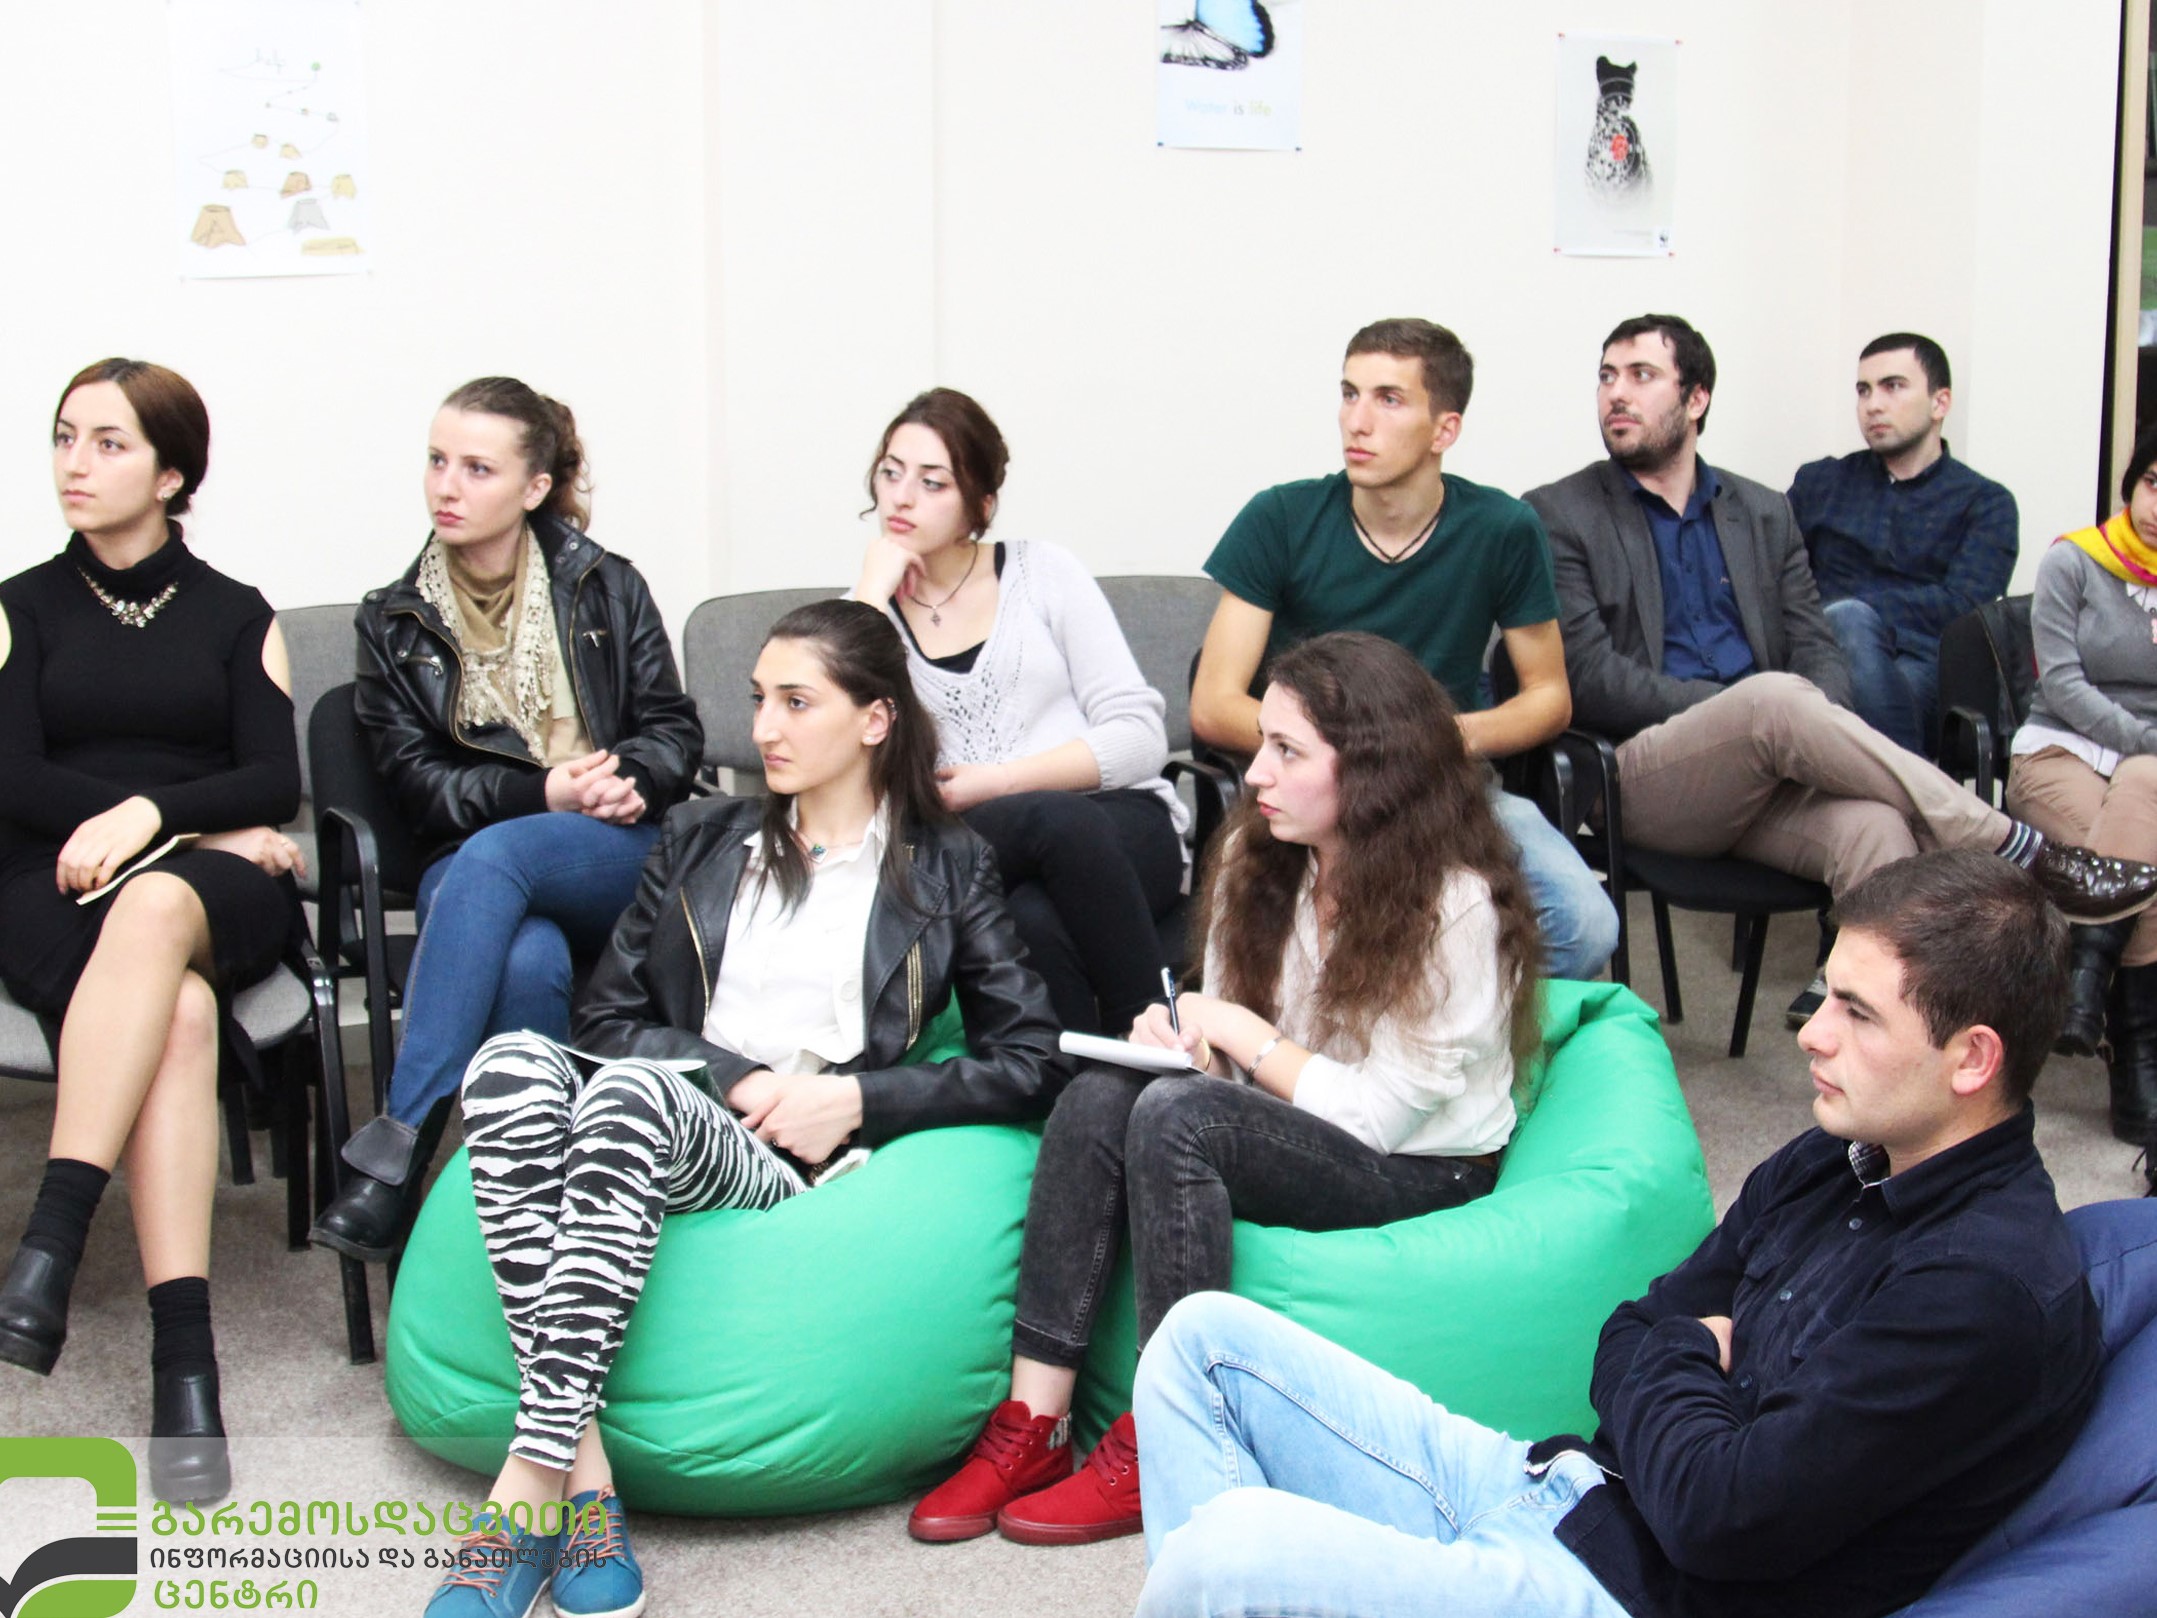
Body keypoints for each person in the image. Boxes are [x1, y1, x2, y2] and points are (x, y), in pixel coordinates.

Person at [1133, 848, 2102, 1618]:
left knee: (1221, 1557)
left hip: (1624, 1595)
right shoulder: (1837, 1156)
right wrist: (1685, 1365)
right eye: (1824, 994)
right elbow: (1624, 1327)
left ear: (1971, 1059)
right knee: (1199, 1343)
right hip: (1566, 1491)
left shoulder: (1981, 1291)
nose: (1811, 1032)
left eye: (1857, 1013)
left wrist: (1680, 1351)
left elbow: (1718, 1514)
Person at [420, 599, 1064, 1618]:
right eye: (760, 699)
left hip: (783, 1157)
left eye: (796, 702)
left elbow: (1028, 1059)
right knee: (506, 1063)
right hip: (684, 1108)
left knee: (633, 1091)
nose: (763, 726)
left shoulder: (946, 863)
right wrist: (736, 1076)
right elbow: (606, 1017)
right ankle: (577, 1484)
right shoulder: (700, 838)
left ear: (874, 719)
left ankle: (517, 1506)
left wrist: (854, 1098)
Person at [911, 632, 1539, 1548]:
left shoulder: (1456, 904)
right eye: (1260, 745)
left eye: (1287, 751)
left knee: (1179, 1118)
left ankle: (1172, 1438)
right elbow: (1238, 1065)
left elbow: (1376, 1117)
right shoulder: (1262, 854)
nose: (1255, 775)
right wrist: (1191, 1047)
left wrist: (1235, 1033)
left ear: (1376, 770)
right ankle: (1035, 1421)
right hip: (1296, 1124)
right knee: (1101, 1092)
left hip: (1423, 1164)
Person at [1526, 313, 2157, 1026]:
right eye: (1606, 376)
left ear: (1695, 398)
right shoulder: (1558, 513)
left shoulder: (1762, 511)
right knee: (1770, 700)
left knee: (1876, 829)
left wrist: (1800, 724)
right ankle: (2011, 847)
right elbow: (1590, 676)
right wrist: (1749, 714)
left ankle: (1853, 1017)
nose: (1616, 393)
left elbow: (1816, 641)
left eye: (1641, 375)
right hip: (1642, 775)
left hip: (1764, 768)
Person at [308, 377, 702, 1264]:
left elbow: (672, 729)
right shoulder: (392, 621)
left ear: (534, 486)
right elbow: (417, 785)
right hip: (473, 865)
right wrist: (541, 795)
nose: (446, 486)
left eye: (477, 468)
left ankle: (399, 1147)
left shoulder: (605, 585)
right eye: (437, 460)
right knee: (523, 953)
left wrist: (631, 778)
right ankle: (550, 1214)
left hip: (614, 851)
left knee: (497, 860)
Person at [0, 359, 304, 1506]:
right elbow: (9, 775)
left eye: (109, 442)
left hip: (199, 884)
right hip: (53, 875)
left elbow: (273, 778)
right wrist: (181, 824)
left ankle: (54, 1236)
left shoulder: (237, 611)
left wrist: (153, 824)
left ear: (173, 474)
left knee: (161, 904)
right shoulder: (18, 606)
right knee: (178, 1010)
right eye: (64, 436)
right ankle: (188, 1365)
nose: (74, 463)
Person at [1190, 317, 1619, 981]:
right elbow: (1214, 703)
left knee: (1582, 927)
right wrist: (1338, 751)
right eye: (1349, 394)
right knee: (1288, 936)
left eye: (1388, 399)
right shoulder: (1280, 518)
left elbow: (1547, 696)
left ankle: (1432, 1021)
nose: (1356, 422)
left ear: (1444, 429)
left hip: (1438, 788)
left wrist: (1437, 739)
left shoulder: (1501, 528)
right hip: (1306, 793)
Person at [851, 387, 1187, 1035]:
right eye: (890, 473)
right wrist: (869, 599)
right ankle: (1155, 1040)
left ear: (981, 504)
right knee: (1046, 831)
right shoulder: (864, 614)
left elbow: (1141, 735)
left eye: (932, 482)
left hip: (1115, 820)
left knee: (1034, 912)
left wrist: (1001, 781)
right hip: (971, 841)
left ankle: (1073, 1084)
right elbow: (838, 754)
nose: (901, 497)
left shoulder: (1043, 573)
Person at [2007, 424, 2157, 1148]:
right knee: (2148, 849)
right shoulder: (2074, 559)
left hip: (2147, 776)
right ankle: (2136, 1054)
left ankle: (2089, 978)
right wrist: (2145, 739)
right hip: (2059, 750)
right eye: (2154, 483)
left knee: (2144, 793)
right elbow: (2062, 683)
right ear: (2131, 482)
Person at [1789, 333, 2018, 754]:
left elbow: (1966, 606)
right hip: (1819, 652)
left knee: (1857, 648)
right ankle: (1906, 792)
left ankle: (1892, 790)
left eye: (1892, 386)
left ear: (1940, 403)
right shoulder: (1820, 482)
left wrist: (1856, 613)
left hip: (1923, 661)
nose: (1873, 405)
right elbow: (1778, 573)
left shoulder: (1985, 502)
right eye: (1863, 390)